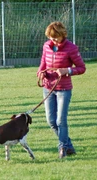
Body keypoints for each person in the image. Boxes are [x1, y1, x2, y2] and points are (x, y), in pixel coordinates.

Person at [37, 21, 86, 158]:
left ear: (62, 34)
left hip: (64, 89)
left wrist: (68, 70)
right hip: (48, 88)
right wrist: (40, 73)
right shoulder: (46, 46)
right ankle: (69, 146)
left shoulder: (71, 48)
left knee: (61, 121)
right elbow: (43, 64)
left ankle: (62, 148)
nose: (52, 40)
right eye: (50, 37)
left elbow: (82, 68)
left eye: (55, 37)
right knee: (51, 121)